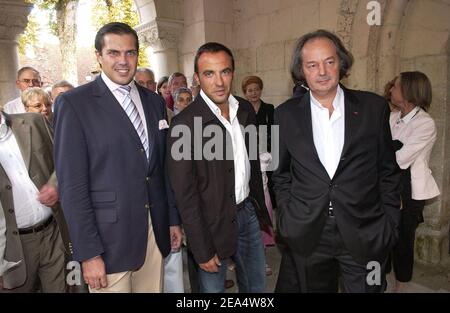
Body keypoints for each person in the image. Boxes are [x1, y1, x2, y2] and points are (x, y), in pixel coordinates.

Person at [53, 22, 181, 293]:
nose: (123, 61)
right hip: (107, 241)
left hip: (153, 232)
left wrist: (171, 219)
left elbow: (161, 170)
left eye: (130, 53)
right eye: (113, 53)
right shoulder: (74, 104)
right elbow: (72, 186)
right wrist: (88, 253)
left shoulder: (154, 102)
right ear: (98, 56)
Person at [272, 29, 401, 293]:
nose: (322, 71)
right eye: (312, 65)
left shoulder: (373, 108)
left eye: (329, 61)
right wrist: (287, 218)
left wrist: (389, 223)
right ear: (301, 70)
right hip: (308, 234)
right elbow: (280, 174)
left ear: (341, 63)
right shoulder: (283, 116)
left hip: (365, 231)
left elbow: (388, 171)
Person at [167, 42, 272, 293]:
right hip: (209, 222)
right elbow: (185, 194)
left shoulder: (244, 109)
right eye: (209, 73)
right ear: (197, 78)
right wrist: (201, 248)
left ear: (233, 73)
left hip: (247, 213)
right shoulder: (184, 125)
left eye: (224, 72)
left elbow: (252, 163)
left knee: (257, 287)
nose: (219, 82)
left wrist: (258, 208)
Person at [0, 111, 71, 292]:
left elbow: (65, 158)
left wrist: (56, 185)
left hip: (54, 232)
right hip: (13, 248)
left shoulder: (33, 122)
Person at [388, 71, 440, 292]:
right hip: (387, 185)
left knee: (403, 243)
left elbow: (399, 158)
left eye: (395, 86)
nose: (390, 89)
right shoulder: (391, 117)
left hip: (408, 191)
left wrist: (384, 148)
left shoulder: (425, 123)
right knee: (382, 239)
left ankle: (401, 286)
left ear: (409, 91)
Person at [241, 75, 276, 275]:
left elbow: (274, 134)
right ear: (245, 92)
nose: (253, 93)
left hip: (267, 159)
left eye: (256, 89)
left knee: (266, 206)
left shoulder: (270, 109)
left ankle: (262, 252)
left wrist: (273, 158)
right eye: (249, 90)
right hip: (248, 161)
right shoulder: (242, 110)